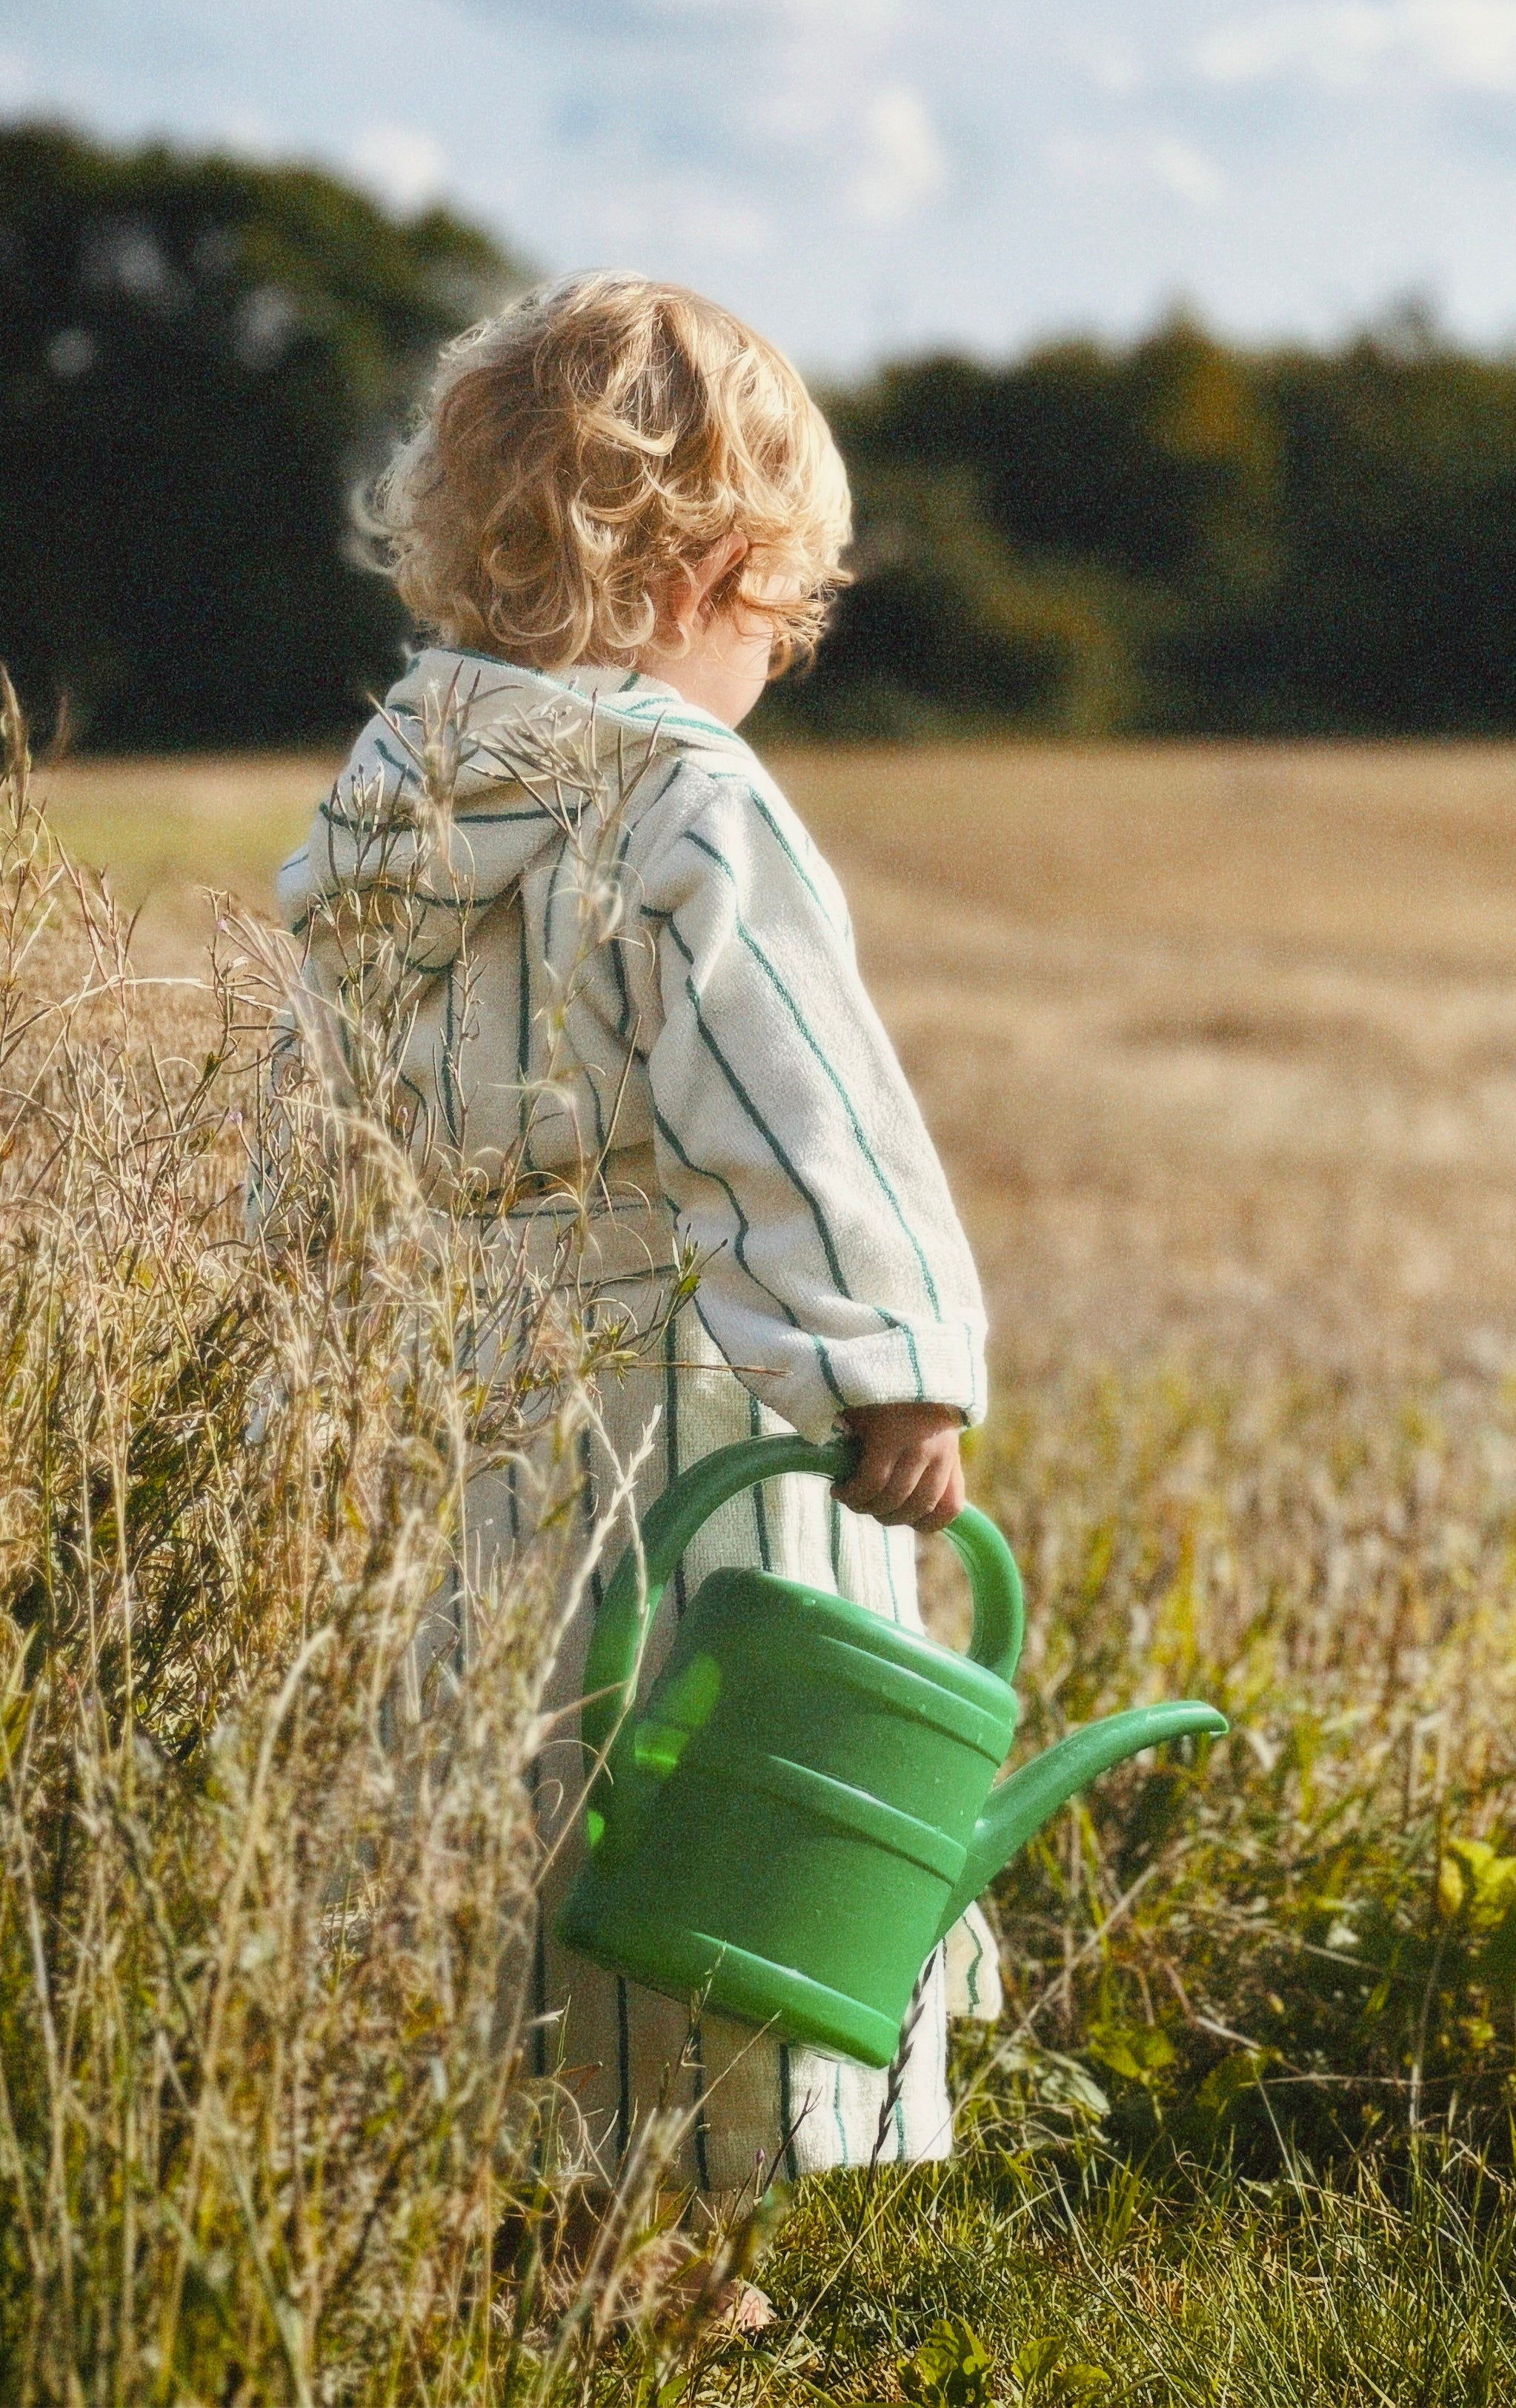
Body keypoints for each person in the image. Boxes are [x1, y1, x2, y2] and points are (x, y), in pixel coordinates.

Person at [276, 273, 998, 2259]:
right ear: (720, 564)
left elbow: (309, 1129)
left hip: (447, 1420)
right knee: (712, 1795)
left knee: (509, 1792)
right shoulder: (689, 796)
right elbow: (795, 1095)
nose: (783, 658)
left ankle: (505, 2215)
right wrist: (889, 1354)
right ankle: (682, 2268)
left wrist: (295, 1370)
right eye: (790, 617)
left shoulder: (381, 807)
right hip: (680, 1409)